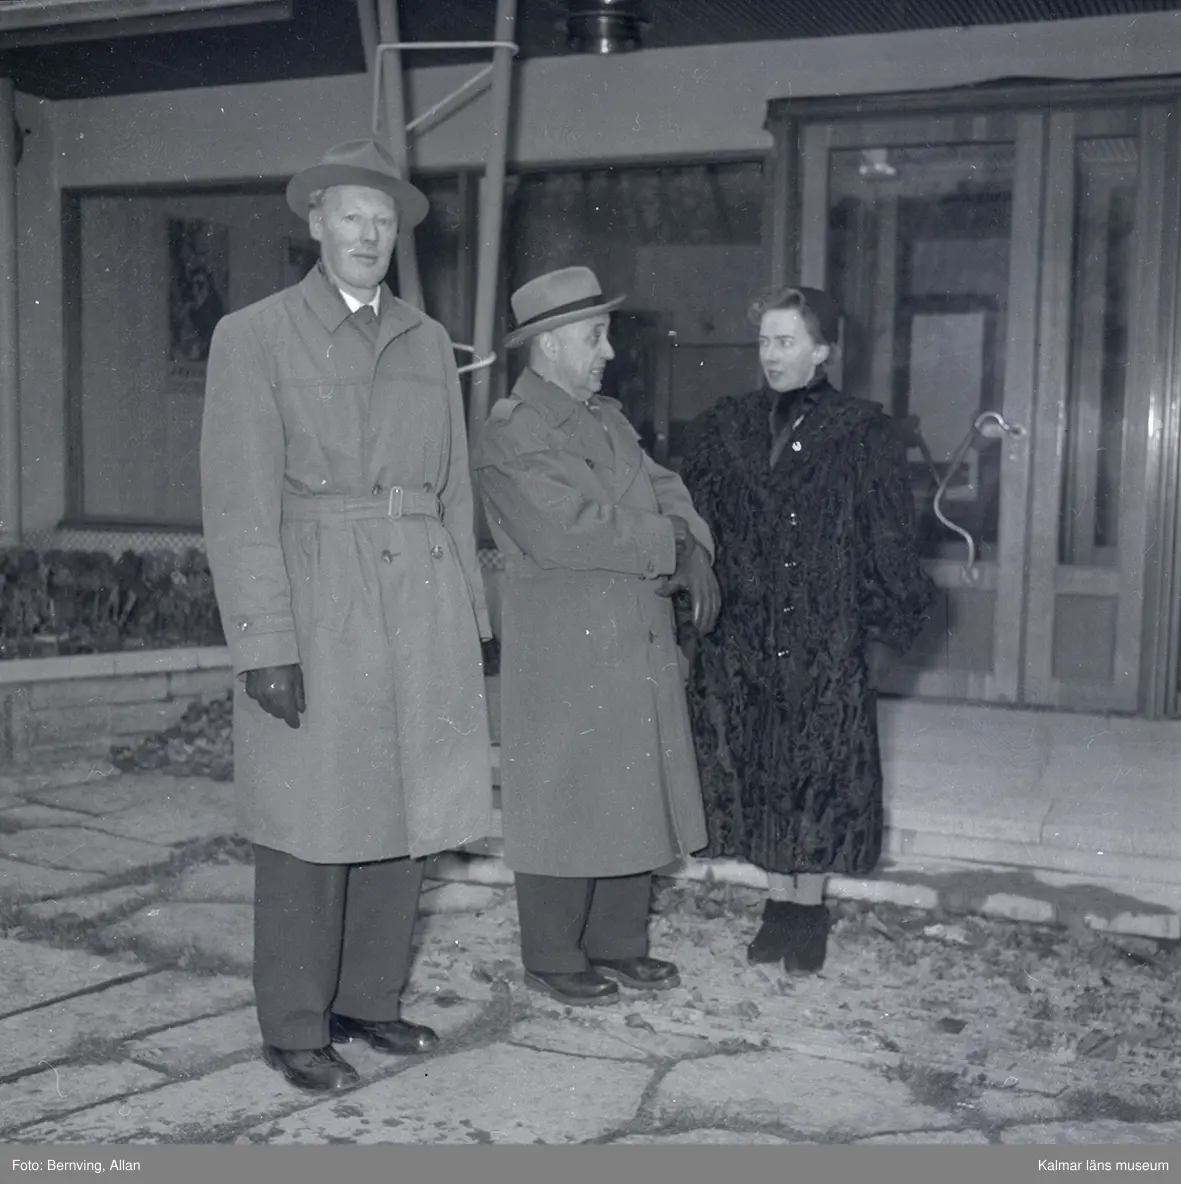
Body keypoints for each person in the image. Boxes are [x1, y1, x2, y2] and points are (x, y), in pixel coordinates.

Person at [200, 139, 494, 1093]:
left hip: (419, 594)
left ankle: (369, 1000)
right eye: (351, 217)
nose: (368, 235)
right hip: (318, 596)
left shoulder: (427, 338)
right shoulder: (254, 335)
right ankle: (294, 1024)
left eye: (383, 220)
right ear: (316, 224)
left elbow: (454, 489)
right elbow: (238, 504)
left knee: (406, 807)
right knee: (310, 816)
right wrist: (263, 643)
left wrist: (471, 616)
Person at [472, 266, 721, 1007]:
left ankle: (618, 942)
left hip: (627, 629)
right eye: (594, 336)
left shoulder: (605, 419)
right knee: (564, 791)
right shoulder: (512, 430)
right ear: (549, 343)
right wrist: (671, 545)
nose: (607, 351)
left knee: (629, 788)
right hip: (564, 641)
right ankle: (552, 954)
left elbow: (666, 487)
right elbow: (566, 528)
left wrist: (694, 544)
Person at [677, 285, 935, 977]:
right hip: (746, 630)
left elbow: (887, 535)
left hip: (823, 628)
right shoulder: (727, 426)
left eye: (786, 341)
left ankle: (808, 910)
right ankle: (775, 904)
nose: (771, 354)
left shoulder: (862, 432)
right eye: (765, 340)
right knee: (757, 762)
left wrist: (884, 626)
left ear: (822, 351)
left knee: (817, 767)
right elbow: (698, 521)